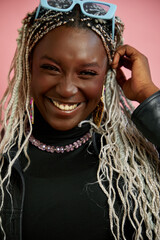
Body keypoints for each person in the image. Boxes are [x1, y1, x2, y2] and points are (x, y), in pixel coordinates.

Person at [0, 1, 160, 240]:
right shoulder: (4, 159)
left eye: (87, 73)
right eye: (51, 68)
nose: (66, 90)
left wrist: (148, 94)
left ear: (108, 76)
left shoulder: (135, 161)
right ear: (29, 66)